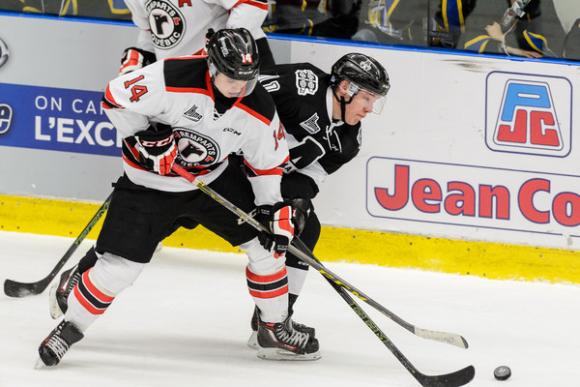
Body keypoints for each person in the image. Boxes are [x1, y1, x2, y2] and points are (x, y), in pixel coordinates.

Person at [37, 28, 320, 367]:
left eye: (248, 79)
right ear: (211, 67)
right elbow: (114, 97)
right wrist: (143, 134)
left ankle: (273, 327)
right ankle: (70, 328)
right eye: (233, 79)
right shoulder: (171, 76)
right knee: (120, 270)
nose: (241, 88)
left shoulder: (257, 104)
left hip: (212, 180)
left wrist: (272, 207)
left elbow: (267, 164)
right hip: (148, 186)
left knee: (266, 245)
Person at [246, 52, 390, 347]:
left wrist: (298, 201)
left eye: (375, 101)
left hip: (265, 184)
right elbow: (243, 92)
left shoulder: (348, 140)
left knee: (307, 227)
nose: (369, 109)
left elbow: (309, 175)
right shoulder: (301, 84)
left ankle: (273, 319)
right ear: (345, 88)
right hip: (226, 165)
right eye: (367, 99)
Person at [119, 0, 275, 75]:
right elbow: (149, 31)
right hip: (179, 76)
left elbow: (253, 4)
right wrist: (143, 59)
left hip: (232, 70)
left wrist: (226, 49)